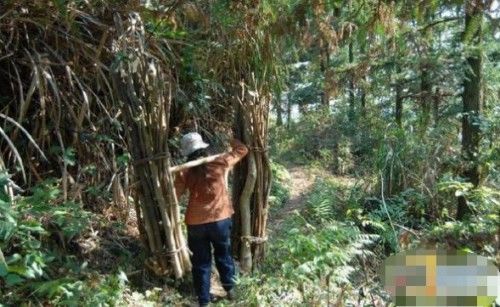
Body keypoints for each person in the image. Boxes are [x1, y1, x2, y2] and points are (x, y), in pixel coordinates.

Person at [174, 132, 248, 307]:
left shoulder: (183, 171)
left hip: (195, 223)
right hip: (220, 219)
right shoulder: (221, 161)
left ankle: (204, 301)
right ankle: (230, 289)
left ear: (187, 152)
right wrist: (230, 137)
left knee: (201, 262)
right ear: (204, 148)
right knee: (224, 255)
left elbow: (175, 196)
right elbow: (242, 149)